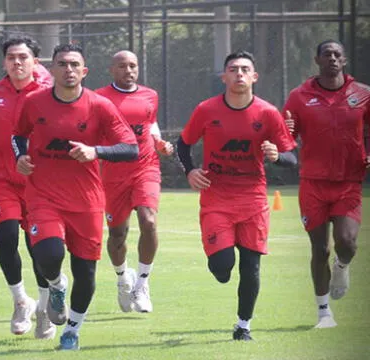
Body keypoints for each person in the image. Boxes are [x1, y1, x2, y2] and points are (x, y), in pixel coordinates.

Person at [13, 43, 139, 350]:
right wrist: (22, 155)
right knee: (49, 255)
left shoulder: (100, 106)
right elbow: (18, 135)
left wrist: (95, 151)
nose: (68, 70)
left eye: (74, 65)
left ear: (84, 71)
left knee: (86, 273)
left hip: (86, 201)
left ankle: (72, 330)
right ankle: (56, 286)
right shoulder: (34, 102)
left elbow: (131, 148)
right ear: (51, 70)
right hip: (43, 196)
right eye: (62, 64)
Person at [176, 51, 297, 341]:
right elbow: (182, 145)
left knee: (251, 266)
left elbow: (292, 158)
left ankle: (243, 326)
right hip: (216, 199)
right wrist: (190, 171)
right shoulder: (206, 109)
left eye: (245, 69)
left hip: (253, 199)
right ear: (224, 77)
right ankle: (219, 265)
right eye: (233, 69)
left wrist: (277, 156)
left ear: (254, 77)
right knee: (222, 268)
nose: (239, 74)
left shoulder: (268, 113)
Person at [283, 40, 370, 329]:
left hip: (348, 183)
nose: (332, 58)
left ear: (344, 60)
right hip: (313, 184)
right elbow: (286, 135)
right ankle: (324, 313)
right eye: (326, 54)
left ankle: (342, 267)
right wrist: (280, 145)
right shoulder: (299, 96)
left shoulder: (363, 94)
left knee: (346, 243)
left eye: (337, 54)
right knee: (319, 249)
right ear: (317, 60)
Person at [0, 36, 55, 339]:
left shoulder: (50, 92)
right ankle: (21, 301)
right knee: (6, 238)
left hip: (38, 183)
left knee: (39, 250)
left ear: (35, 61)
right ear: (4, 61)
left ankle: (45, 307)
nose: (17, 62)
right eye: (11, 57)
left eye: (23, 57)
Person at [95, 50, 173, 313]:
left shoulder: (150, 94)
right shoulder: (99, 98)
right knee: (118, 235)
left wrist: (159, 142)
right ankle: (122, 278)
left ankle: (142, 283)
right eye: (122, 66)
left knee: (149, 221)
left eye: (133, 65)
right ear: (111, 70)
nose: (129, 70)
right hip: (113, 173)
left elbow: (150, 124)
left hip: (146, 166)